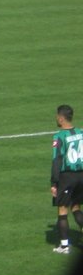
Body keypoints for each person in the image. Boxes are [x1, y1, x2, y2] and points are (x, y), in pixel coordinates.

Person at [50, 104, 83, 254]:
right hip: (81, 175)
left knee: (62, 210)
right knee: (76, 207)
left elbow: (57, 160)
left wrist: (54, 183)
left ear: (62, 118)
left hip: (67, 177)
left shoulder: (59, 137)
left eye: (57, 116)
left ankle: (64, 246)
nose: (56, 118)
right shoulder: (81, 133)